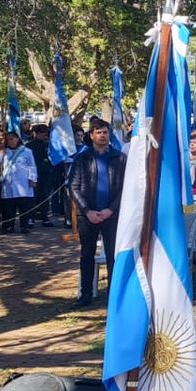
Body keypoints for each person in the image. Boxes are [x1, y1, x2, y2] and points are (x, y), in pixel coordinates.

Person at [69, 118, 126, 306]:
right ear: (91, 135)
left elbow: (125, 187)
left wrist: (111, 209)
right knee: (87, 254)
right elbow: (74, 187)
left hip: (111, 215)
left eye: (105, 132)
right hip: (88, 216)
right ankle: (86, 294)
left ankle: (113, 296)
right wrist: (87, 210)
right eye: (99, 132)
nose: (103, 135)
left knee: (112, 255)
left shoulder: (119, 158)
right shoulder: (82, 158)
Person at [0, 130, 36, 233]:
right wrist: (0, 151)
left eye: (12, 139)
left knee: (24, 206)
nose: (11, 141)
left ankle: (25, 226)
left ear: (17, 139)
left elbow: (32, 166)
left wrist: (33, 178)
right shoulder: (4, 151)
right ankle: (9, 226)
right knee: (8, 207)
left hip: (23, 183)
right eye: (8, 139)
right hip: (9, 183)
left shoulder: (26, 151)